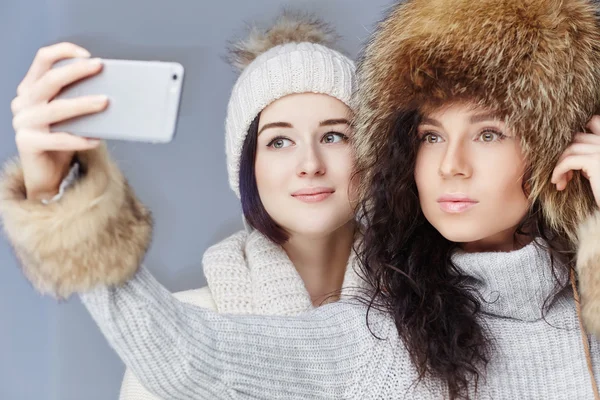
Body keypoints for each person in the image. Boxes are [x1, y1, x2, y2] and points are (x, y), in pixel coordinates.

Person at [3, 0, 600, 399]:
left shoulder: (584, 310)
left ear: (555, 148)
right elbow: (189, 356)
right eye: (429, 136)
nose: (451, 165)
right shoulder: (392, 337)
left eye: (489, 132)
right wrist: (65, 193)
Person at [116, 13, 363, 399]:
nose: (311, 164)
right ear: (247, 166)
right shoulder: (183, 330)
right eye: (279, 142)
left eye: (333, 136)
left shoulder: (432, 322)